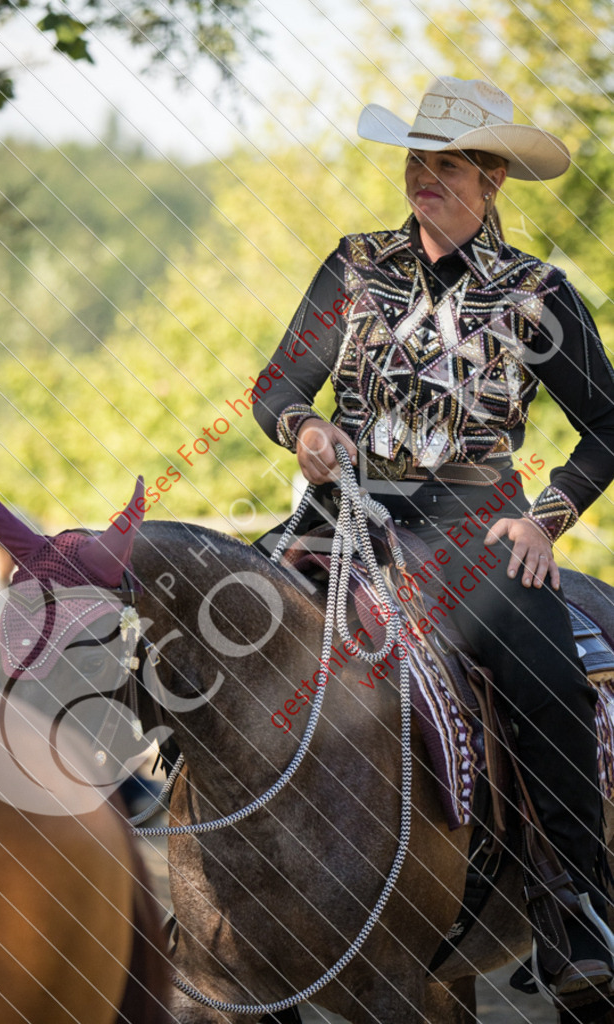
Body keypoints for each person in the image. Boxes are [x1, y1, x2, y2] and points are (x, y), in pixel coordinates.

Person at [253, 76, 614, 1007]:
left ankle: (571, 902)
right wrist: (303, 427)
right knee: (227, 623)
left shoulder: (536, 294)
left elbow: (608, 426)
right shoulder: (352, 266)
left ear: (493, 179)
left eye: (448, 164)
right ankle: (192, 845)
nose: (424, 176)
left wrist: (545, 518)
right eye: (416, 159)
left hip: (475, 530)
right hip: (345, 514)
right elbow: (276, 385)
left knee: (548, 679)